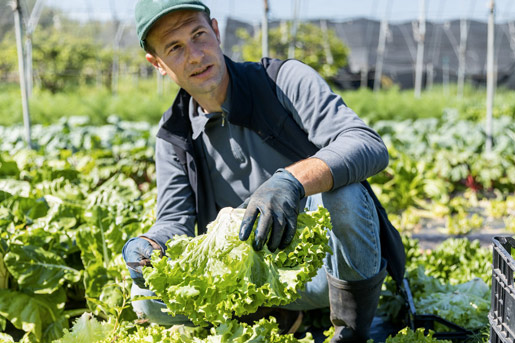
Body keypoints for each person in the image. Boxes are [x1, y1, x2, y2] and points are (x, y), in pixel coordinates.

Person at [122, 0, 404, 341]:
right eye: (175, 48)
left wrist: (292, 180)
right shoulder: (174, 135)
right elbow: (175, 221)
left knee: (345, 192)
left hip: (323, 276)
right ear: (158, 64)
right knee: (146, 300)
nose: (195, 55)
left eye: (198, 35)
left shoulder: (283, 81)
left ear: (215, 30)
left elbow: (366, 144)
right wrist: (150, 245)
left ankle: (350, 330)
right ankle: (274, 313)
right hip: (246, 279)